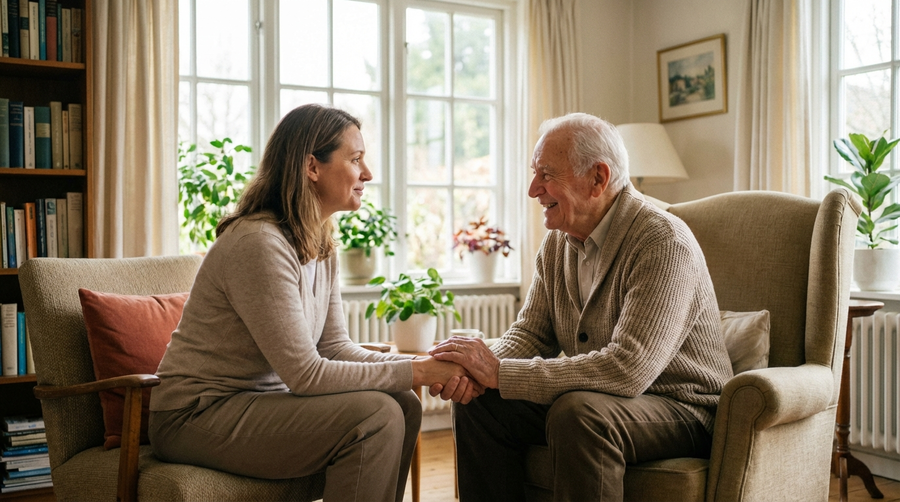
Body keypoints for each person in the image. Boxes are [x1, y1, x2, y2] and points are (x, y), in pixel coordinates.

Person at [149, 104, 472, 502]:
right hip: (195, 416)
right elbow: (306, 374)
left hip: (257, 403)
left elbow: (334, 348)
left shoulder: (319, 243)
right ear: (312, 167)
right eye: (355, 160)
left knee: (404, 405)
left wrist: (422, 366)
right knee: (377, 414)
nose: (367, 174)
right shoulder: (259, 243)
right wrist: (418, 371)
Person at [429, 112, 734, 501]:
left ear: (598, 179)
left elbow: (629, 368)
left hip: (683, 407)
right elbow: (531, 334)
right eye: (534, 173)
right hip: (597, 399)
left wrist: (500, 372)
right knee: (481, 403)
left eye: (546, 174)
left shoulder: (662, 241)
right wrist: (473, 368)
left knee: (578, 413)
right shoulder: (558, 242)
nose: (532, 189)